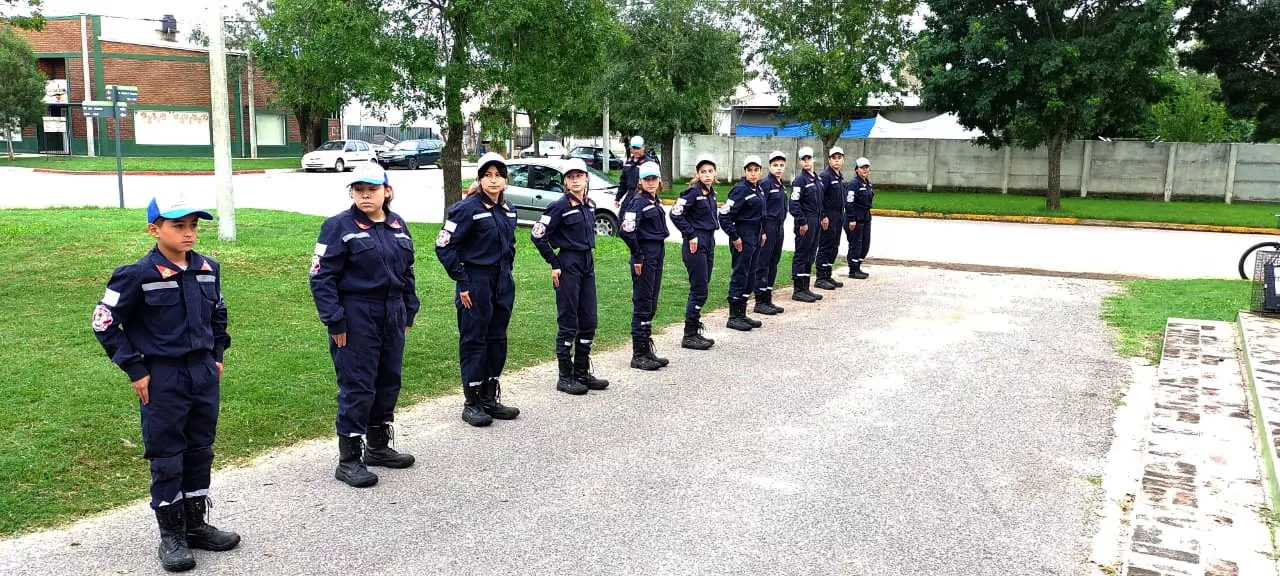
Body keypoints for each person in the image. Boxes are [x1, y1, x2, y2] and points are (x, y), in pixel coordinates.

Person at [91, 191, 239, 572]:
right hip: (163, 377)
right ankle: (171, 536)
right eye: (178, 226)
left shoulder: (208, 268)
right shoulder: (136, 275)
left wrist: (217, 355)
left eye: (193, 226)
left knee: (200, 449)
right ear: (154, 230)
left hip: (202, 373)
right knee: (167, 455)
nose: (188, 233)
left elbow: (218, 314)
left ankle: (195, 525)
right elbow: (104, 322)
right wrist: (135, 368)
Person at [310, 164, 420, 489]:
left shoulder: (398, 225)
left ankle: (378, 446)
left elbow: (407, 272)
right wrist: (335, 320)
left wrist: (408, 312)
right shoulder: (338, 226)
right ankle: (349, 460)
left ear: (387, 191)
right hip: (357, 313)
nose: (365, 195)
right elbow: (321, 277)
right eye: (358, 190)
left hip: (392, 312)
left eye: (372, 189)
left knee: (388, 380)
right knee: (358, 385)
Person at [436, 152, 522, 426]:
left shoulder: (509, 210)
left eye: (498, 175)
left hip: (502, 282)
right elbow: (444, 246)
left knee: (497, 338)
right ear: (480, 179)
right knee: (474, 340)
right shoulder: (466, 209)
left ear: (506, 180)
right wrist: (462, 280)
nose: (493, 180)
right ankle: (472, 402)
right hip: (476, 282)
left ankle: (489, 396)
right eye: (487, 175)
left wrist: (506, 271)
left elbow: (510, 245)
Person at [530, 158, 610, 395]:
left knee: (589, 320)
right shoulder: (559, 206)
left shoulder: (590, 205)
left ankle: (582, 372)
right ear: (565, 181)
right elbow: (538, 235)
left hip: (586, 263)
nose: (575, 180)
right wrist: (554, 262)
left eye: (579, 176)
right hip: (568, 264)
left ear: (586, 178)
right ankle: (565, 377)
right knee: (569, 321)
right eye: (571, 177)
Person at [619, 161, 669, 370]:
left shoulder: (654, 201)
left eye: (654, 179)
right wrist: (638, 256)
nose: (650, 183)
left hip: (657, 252)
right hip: (645, 255)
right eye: (646, 179)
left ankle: (647, 350)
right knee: (642, 303)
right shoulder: (638, 203)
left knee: (651, 303)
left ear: (659, 181)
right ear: (640, 181)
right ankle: (638, 354)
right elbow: (626, 231)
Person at [669, 153, 719, 350]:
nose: (707, 175)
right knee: (699, 289)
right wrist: (690, 234)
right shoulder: (692, 192)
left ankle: (694, 329)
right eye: (703, 171)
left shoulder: (711, 193)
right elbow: (675, 213)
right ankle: (689, 334)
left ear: (715, 173)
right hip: (696, 243)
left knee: (703, 285)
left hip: (709, 241)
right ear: (697, 174)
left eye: (710, 171)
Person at [721, 155, 767, 332]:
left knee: (751, 274)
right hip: (743, 235)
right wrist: (734, 236)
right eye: (750, 170)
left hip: (755, 234)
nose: (753, 173)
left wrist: (762, 233)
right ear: (745, 171)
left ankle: (742, 312)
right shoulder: (740, 190)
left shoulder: (758, 189)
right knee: (740, 274)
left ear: (760, 171)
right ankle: (733, 316)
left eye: (756, 170)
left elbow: (760, 214)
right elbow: (724, 216)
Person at [787, 146, 824, 303]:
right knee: (802, 254)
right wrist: (802, 222)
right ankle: (798, 290)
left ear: (814, 159)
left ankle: (806, 287)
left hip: (816, 220)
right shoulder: (800, 181)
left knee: (811, 255)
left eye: (809, 158)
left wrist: (822, 217)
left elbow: (820, 201)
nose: (807, 162)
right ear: (800, 162)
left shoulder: (817, 179)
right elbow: (793, 204)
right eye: (804, 159)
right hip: (806, 221)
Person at [753, 150, 788, 316]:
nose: (779, 168)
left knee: (774, 262)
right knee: (763, 263)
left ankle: (768, 298)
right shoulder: (765, 184)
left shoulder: (780, 185)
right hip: (768, 227)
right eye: (775, 165)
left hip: (779, 227)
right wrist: (762, 231)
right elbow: (760, 209)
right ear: (769, 167)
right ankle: (760, 301)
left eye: (781, 165)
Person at [815, 146, 847, 290]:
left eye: (839, 158)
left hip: (839, 215)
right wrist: (823, 216)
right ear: (829, 160)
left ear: (843, 160)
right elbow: (820, 198)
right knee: (825, 245)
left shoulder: (839, 176)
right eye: (834, 158)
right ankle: (820, 277)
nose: (837, 160)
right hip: (829, 215)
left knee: (834, 246)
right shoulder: (826, 176)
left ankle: (827, 274)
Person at [845, 156, 875, 280]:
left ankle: (858, 266)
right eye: (862, 167)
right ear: (856, 169)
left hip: (866, 217)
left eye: (866, 167)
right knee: (855, 245)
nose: (865, 169)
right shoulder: (854, 184)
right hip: (855, 218)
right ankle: (853, 269)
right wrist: (852, 219)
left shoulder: (867, 183)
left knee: (865, 245)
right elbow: (849, 202)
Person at [615, 136, 653, 210]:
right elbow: (623, 182)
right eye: (634, 148)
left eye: (638, 148)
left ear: (643, 147)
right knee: (622, 215)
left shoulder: (648, 163)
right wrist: (617, 198)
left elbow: (653, 184)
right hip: (629, 197)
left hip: (643, 197)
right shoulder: (628, 162)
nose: (636, 151)